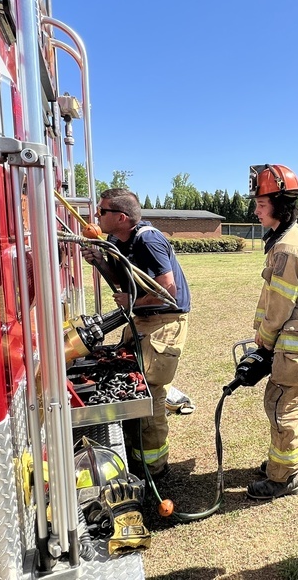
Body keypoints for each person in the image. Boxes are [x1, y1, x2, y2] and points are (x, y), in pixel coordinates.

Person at [83, 188, 191, 481]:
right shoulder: (116, 239)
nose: (96, 216)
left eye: (102, 211)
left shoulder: (148, 240)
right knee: (133, 390)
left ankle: (154, 468)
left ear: (121, 217)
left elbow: (168, 292)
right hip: (141, 322)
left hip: (162, 324)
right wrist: (101, 262)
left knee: (151, 395)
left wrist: (136, 302)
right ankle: (134, 456)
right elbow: (123, 284)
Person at [245, 164, 298, 500]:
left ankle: (283, 478)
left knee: (282, 406)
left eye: (261, 205)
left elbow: (279, 304)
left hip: (296, 342)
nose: (255, 211)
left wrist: (264, 339)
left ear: (280, 206)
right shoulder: (292, 237)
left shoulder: (287, 247)